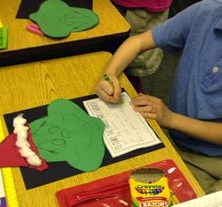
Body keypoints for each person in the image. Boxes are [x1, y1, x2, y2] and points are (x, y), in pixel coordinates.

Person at [95, 0, 222, 194]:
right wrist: (110, 74)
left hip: (212, 159)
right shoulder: (206, 12)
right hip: (175, 138)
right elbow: (137, 42)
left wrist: (171, 119)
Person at [111, 0, 173, 92]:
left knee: (131, 66)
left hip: (140, 8)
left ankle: (132, 96)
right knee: (115, 56)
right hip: (125, 5)